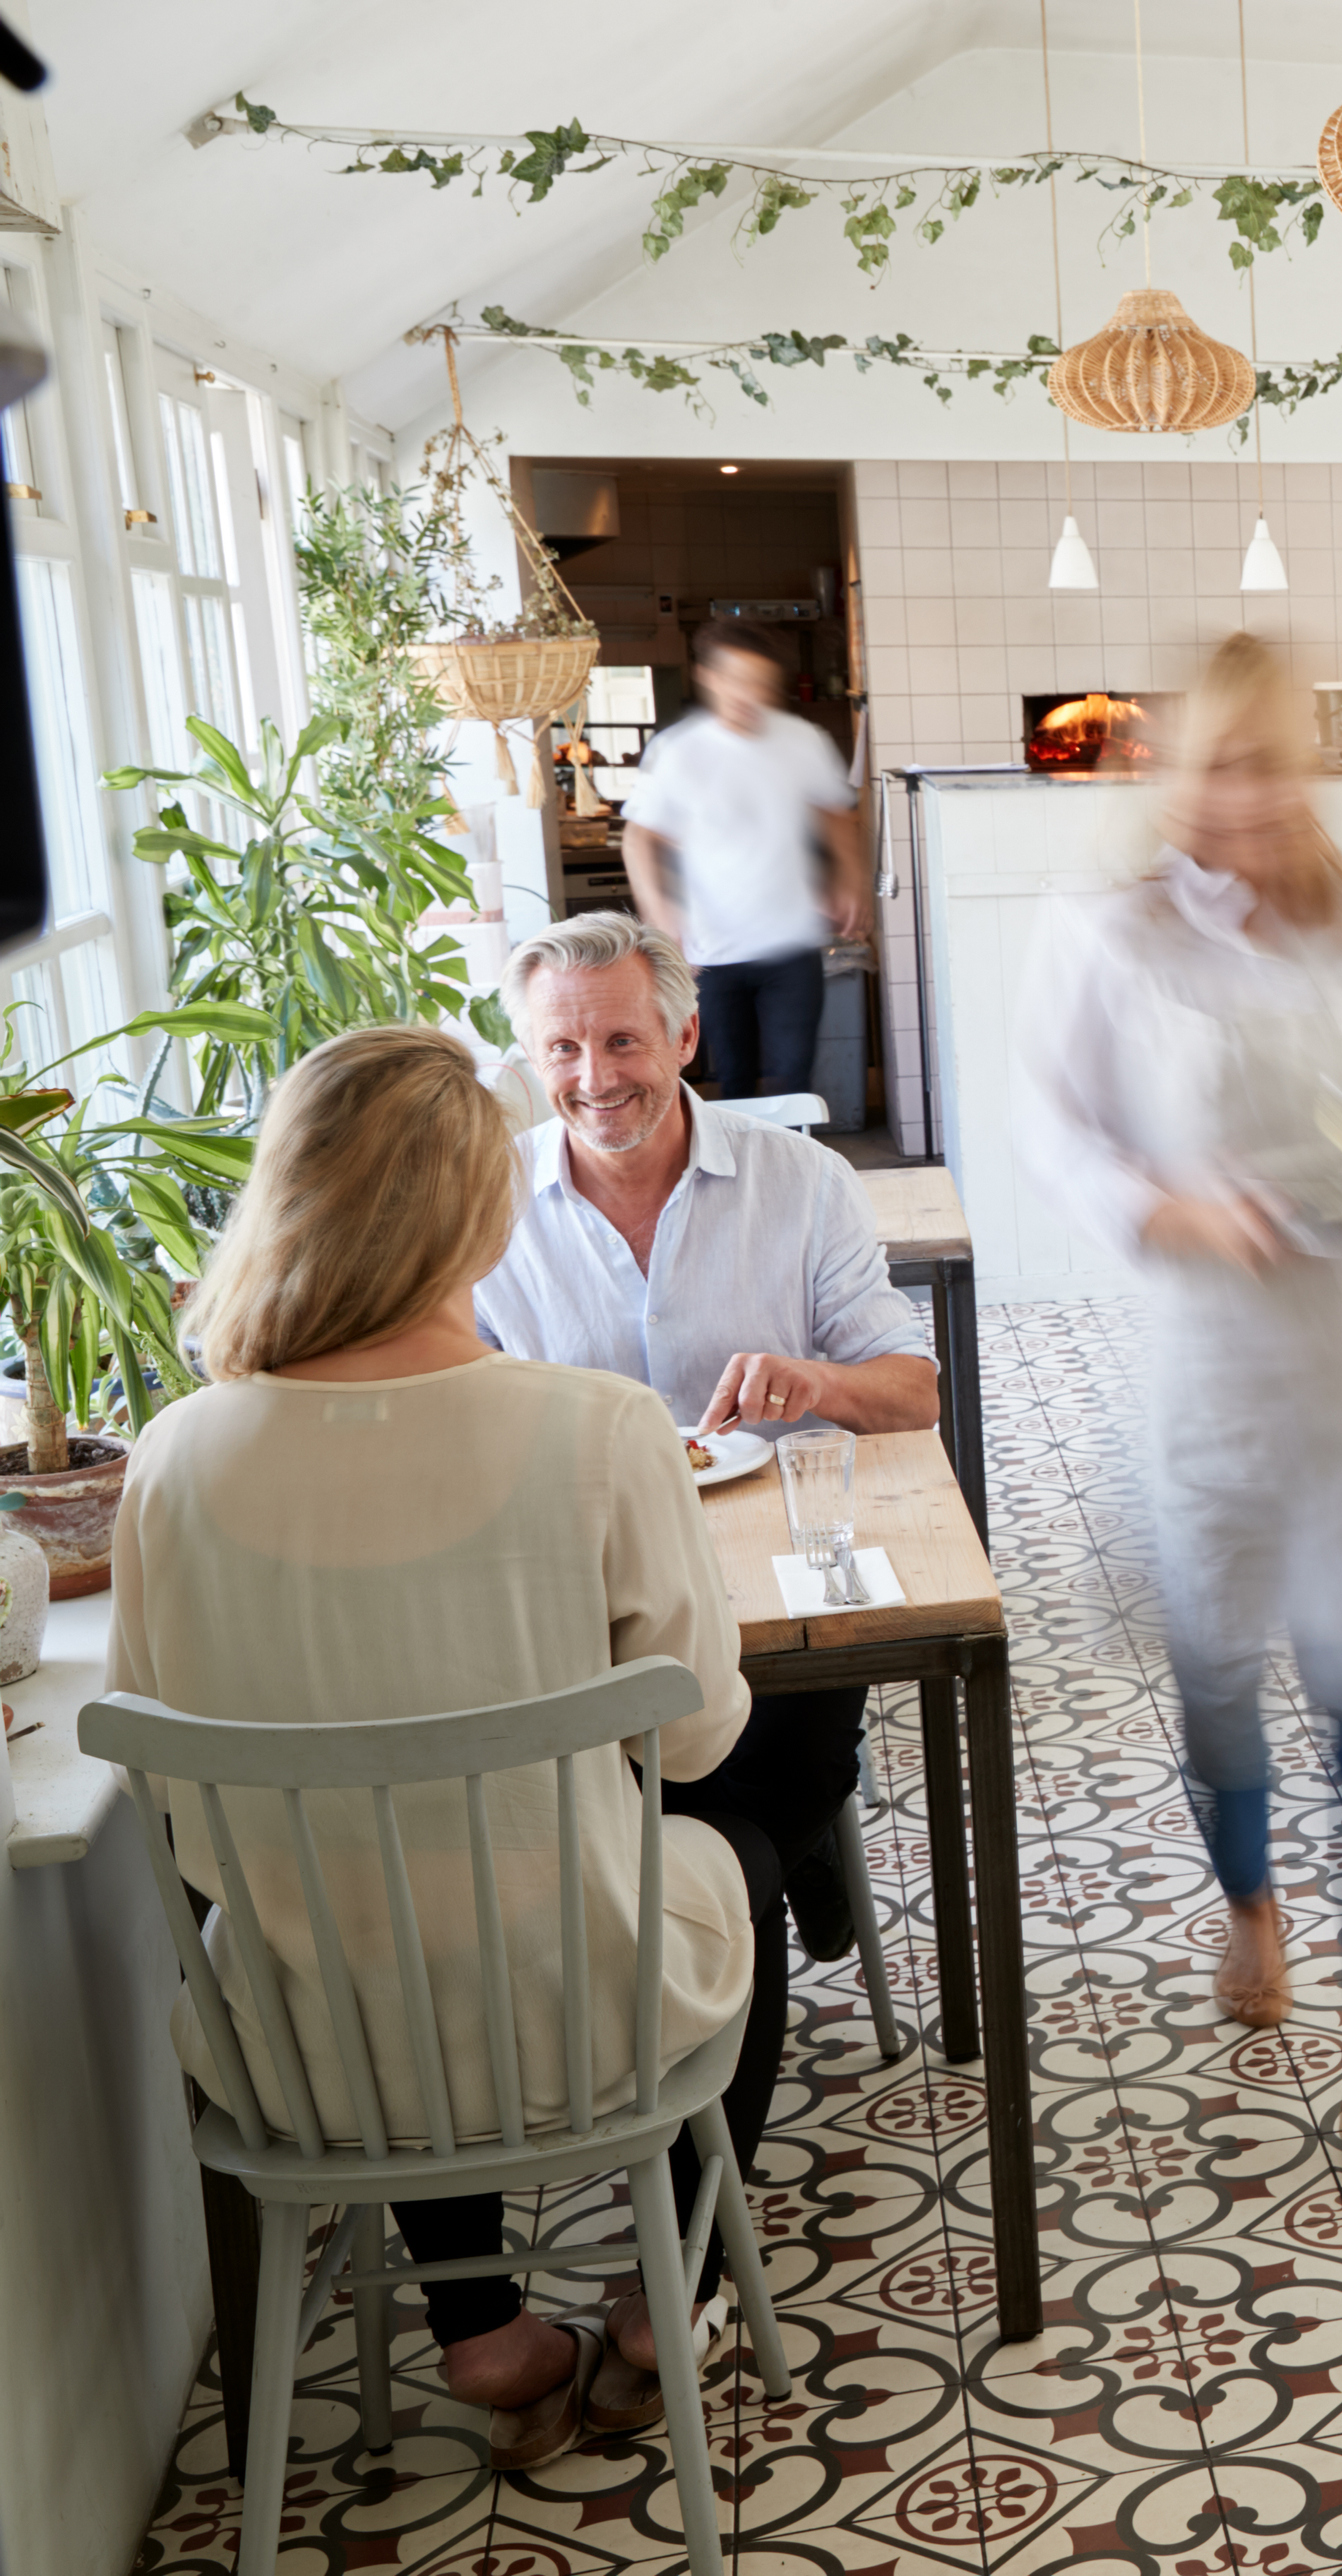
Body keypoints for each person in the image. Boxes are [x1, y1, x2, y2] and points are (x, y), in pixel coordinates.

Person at [117, 1027, 770, 2471]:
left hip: (306, 2055)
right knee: (742, 1867)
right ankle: (667, 2316)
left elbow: (172, 1800)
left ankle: (481, 2336)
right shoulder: (598, 1432)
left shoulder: (173, 1457)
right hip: (588, 2021)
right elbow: (706, 1733)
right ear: (481, 1209)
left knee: (370, 1905)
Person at [1021, 633, 1342, 2180]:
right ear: (1180, 775)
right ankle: (1248, 1896)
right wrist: (1164, 1207)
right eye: (1227, 762)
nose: (1254, 794)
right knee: (1218, 1684)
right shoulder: (1116, 938)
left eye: (1280, 761)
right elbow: (1056, 1125)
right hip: (1210, 1370)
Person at [474, 911, 939, 1966]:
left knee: (752, 1794)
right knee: (632, 1806)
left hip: (780, 1583)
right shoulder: (488, 1200)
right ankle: (771, 1873)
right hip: (579, 1596)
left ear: (685, 1039)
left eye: (622, 1040)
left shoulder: (804, 1183)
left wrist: (814, 1377)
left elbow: (914, 1390)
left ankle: (733, 1904)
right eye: (561, 1047)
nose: (593, 1075)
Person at [619, 619, 866, 1102]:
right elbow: (638, 838)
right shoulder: (678, 751)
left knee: (793, 1081)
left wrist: (849, 878)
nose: (748, 694)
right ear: (708, 677)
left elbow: (836, 815)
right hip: (713, 953)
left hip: (792, 944)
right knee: (733, 1083)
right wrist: (659, 913)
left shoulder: (801, 739)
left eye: (760, 682)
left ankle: (794, 1174)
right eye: (736, 679)